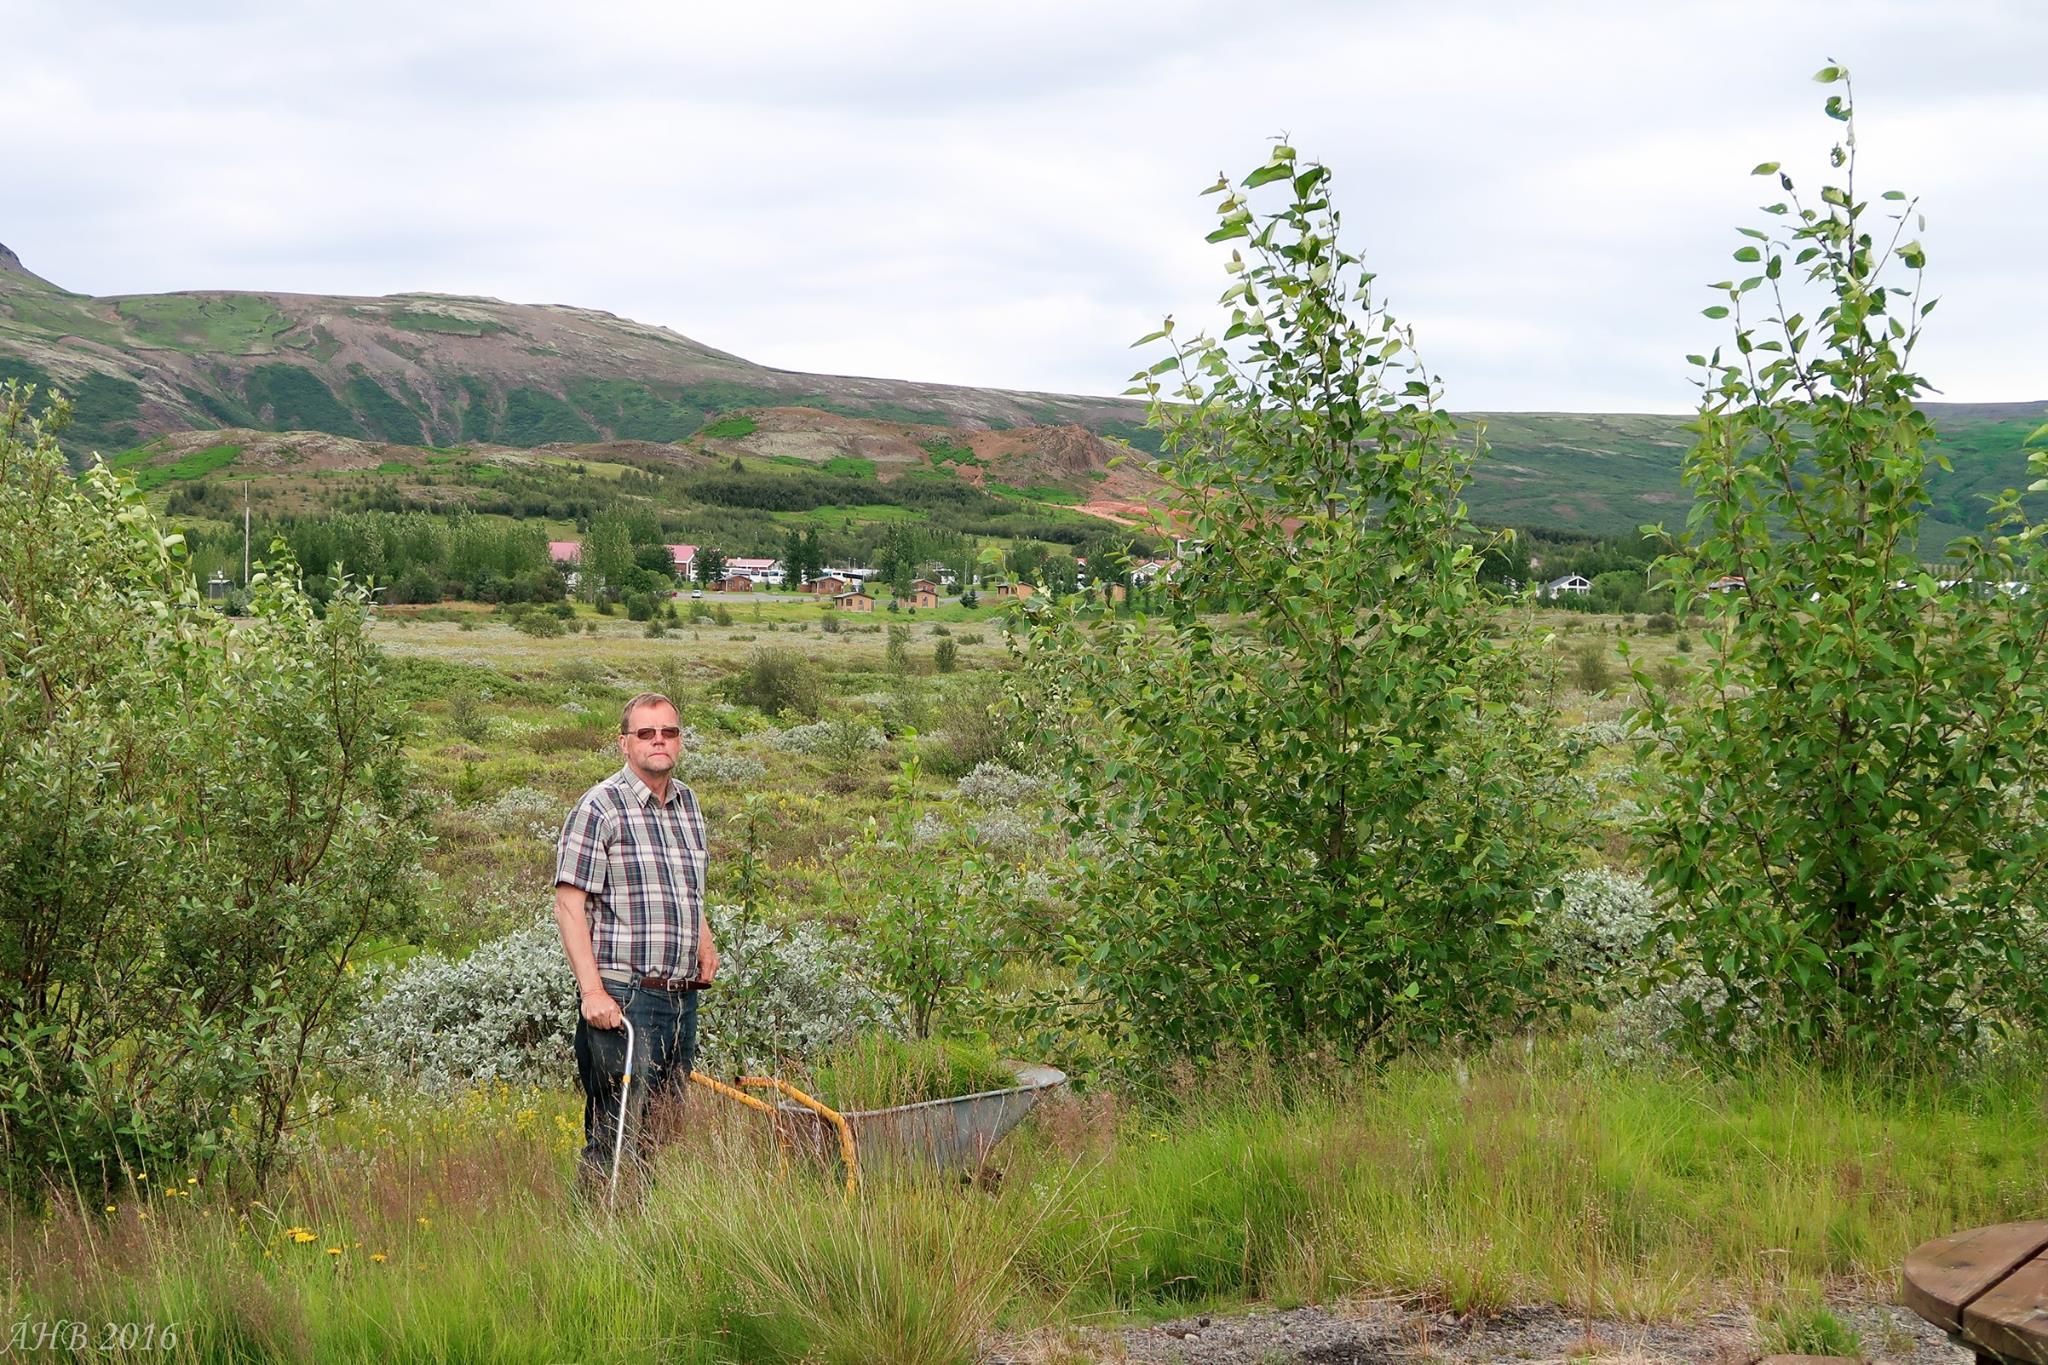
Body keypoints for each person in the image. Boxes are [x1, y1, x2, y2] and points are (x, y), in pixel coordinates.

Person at [553, 691, 719, 1195]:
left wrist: (703, 937)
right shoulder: (600, 807)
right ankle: (598, 1241)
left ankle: (641, 1233)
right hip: (625, 999)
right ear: (624, 742)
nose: (659, 741)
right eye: (646, 733)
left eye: (668, 732)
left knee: (663, 1128)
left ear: (680, 740)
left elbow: (685, 885)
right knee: (615, 1130)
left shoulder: (688, 804)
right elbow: (568, 904)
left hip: (680, 996)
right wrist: (592, 993)